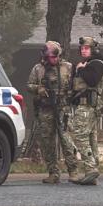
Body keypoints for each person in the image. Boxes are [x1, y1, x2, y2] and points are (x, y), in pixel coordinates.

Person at [27, 40, 76, 184]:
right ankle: (53, 173)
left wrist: (70, 94)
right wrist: (39, 89)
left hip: (62, 108)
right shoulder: (38, 69)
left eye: (54, 57)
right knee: (47, 142)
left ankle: (73, 171)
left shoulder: (68, 68)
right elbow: (29, 85)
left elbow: (75, 84)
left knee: (66, 140)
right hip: (45, 109)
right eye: (49, 58)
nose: (52, 60)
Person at [66, 36, 103, 186]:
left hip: (87, 106)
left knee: (79, 135)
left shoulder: (97, 64)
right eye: (82, 48)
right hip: (84, 106)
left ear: (94, 49)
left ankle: (90, 167)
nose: (83, 50)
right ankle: (93, 171)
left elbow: (92, 80)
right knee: (90, 138)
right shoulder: (89, 63)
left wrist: (82, 70)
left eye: (87, 48)